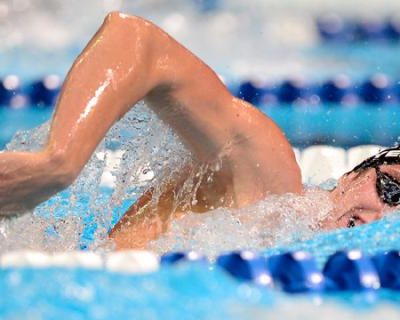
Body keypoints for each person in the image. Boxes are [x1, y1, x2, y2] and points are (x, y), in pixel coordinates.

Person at [0, 12, 397, 249]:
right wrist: (58, 161)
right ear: (353, 174)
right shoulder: (270, 184)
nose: (381, 215)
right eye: (391, 189)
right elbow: (138, 40)